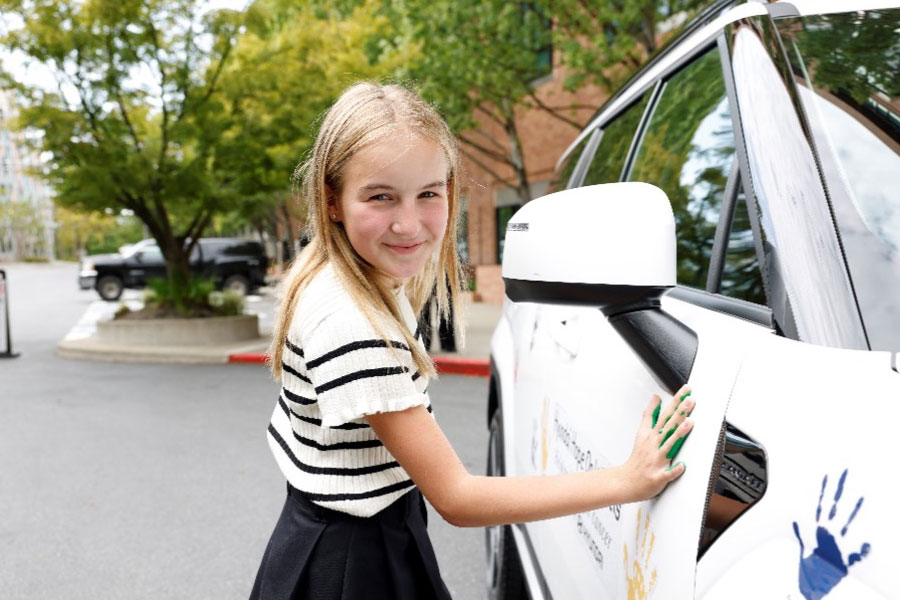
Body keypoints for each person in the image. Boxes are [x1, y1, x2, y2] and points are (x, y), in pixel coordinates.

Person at [249, 82, 695, 600]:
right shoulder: (348, 319)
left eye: (429, 194)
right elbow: (457, 499)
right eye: (380, 196)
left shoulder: (345, 275)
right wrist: (628, 480)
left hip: (345, 535)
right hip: (353, 560)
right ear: (332, 201)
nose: (409, 223)